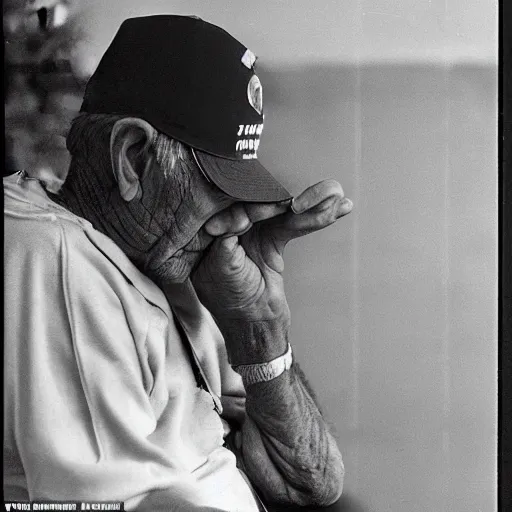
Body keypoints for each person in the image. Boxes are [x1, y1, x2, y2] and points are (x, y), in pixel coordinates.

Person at [4, 15, 353, 511]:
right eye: (218, 190)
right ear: (132, 157)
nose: (235, 222)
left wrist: (257, 323)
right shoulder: (53, 259)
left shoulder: (164, 261)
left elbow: (310, 481)